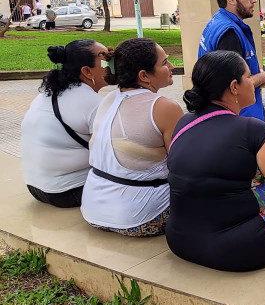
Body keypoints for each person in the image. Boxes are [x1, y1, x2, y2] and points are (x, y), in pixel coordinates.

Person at [167, 51, 265, 271]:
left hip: (179, 240)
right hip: (237, 250)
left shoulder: (183, 123)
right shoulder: (255, 132)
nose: (254, 82)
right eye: (249, 77)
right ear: (234, 87)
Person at [81, 38, 184, 237]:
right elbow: (182, 165)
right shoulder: (164, 107)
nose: (171, 66)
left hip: (92, 210)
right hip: (141, 217)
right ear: (144, 75)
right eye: (164, 63)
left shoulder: (109, 99)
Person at [21, 40, 110, 208]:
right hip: (68, 191)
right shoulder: (93, 103)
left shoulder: (49, 93)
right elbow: (108, 155)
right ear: (87, 71)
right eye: (106, 61)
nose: (112, 66)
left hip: (35, 188)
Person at [198, 0, 265, 121]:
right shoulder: (229, 32)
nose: (254, 0)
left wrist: (255, 73)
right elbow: (231, 86)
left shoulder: (217, 22)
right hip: (241, 117)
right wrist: (262, 77)